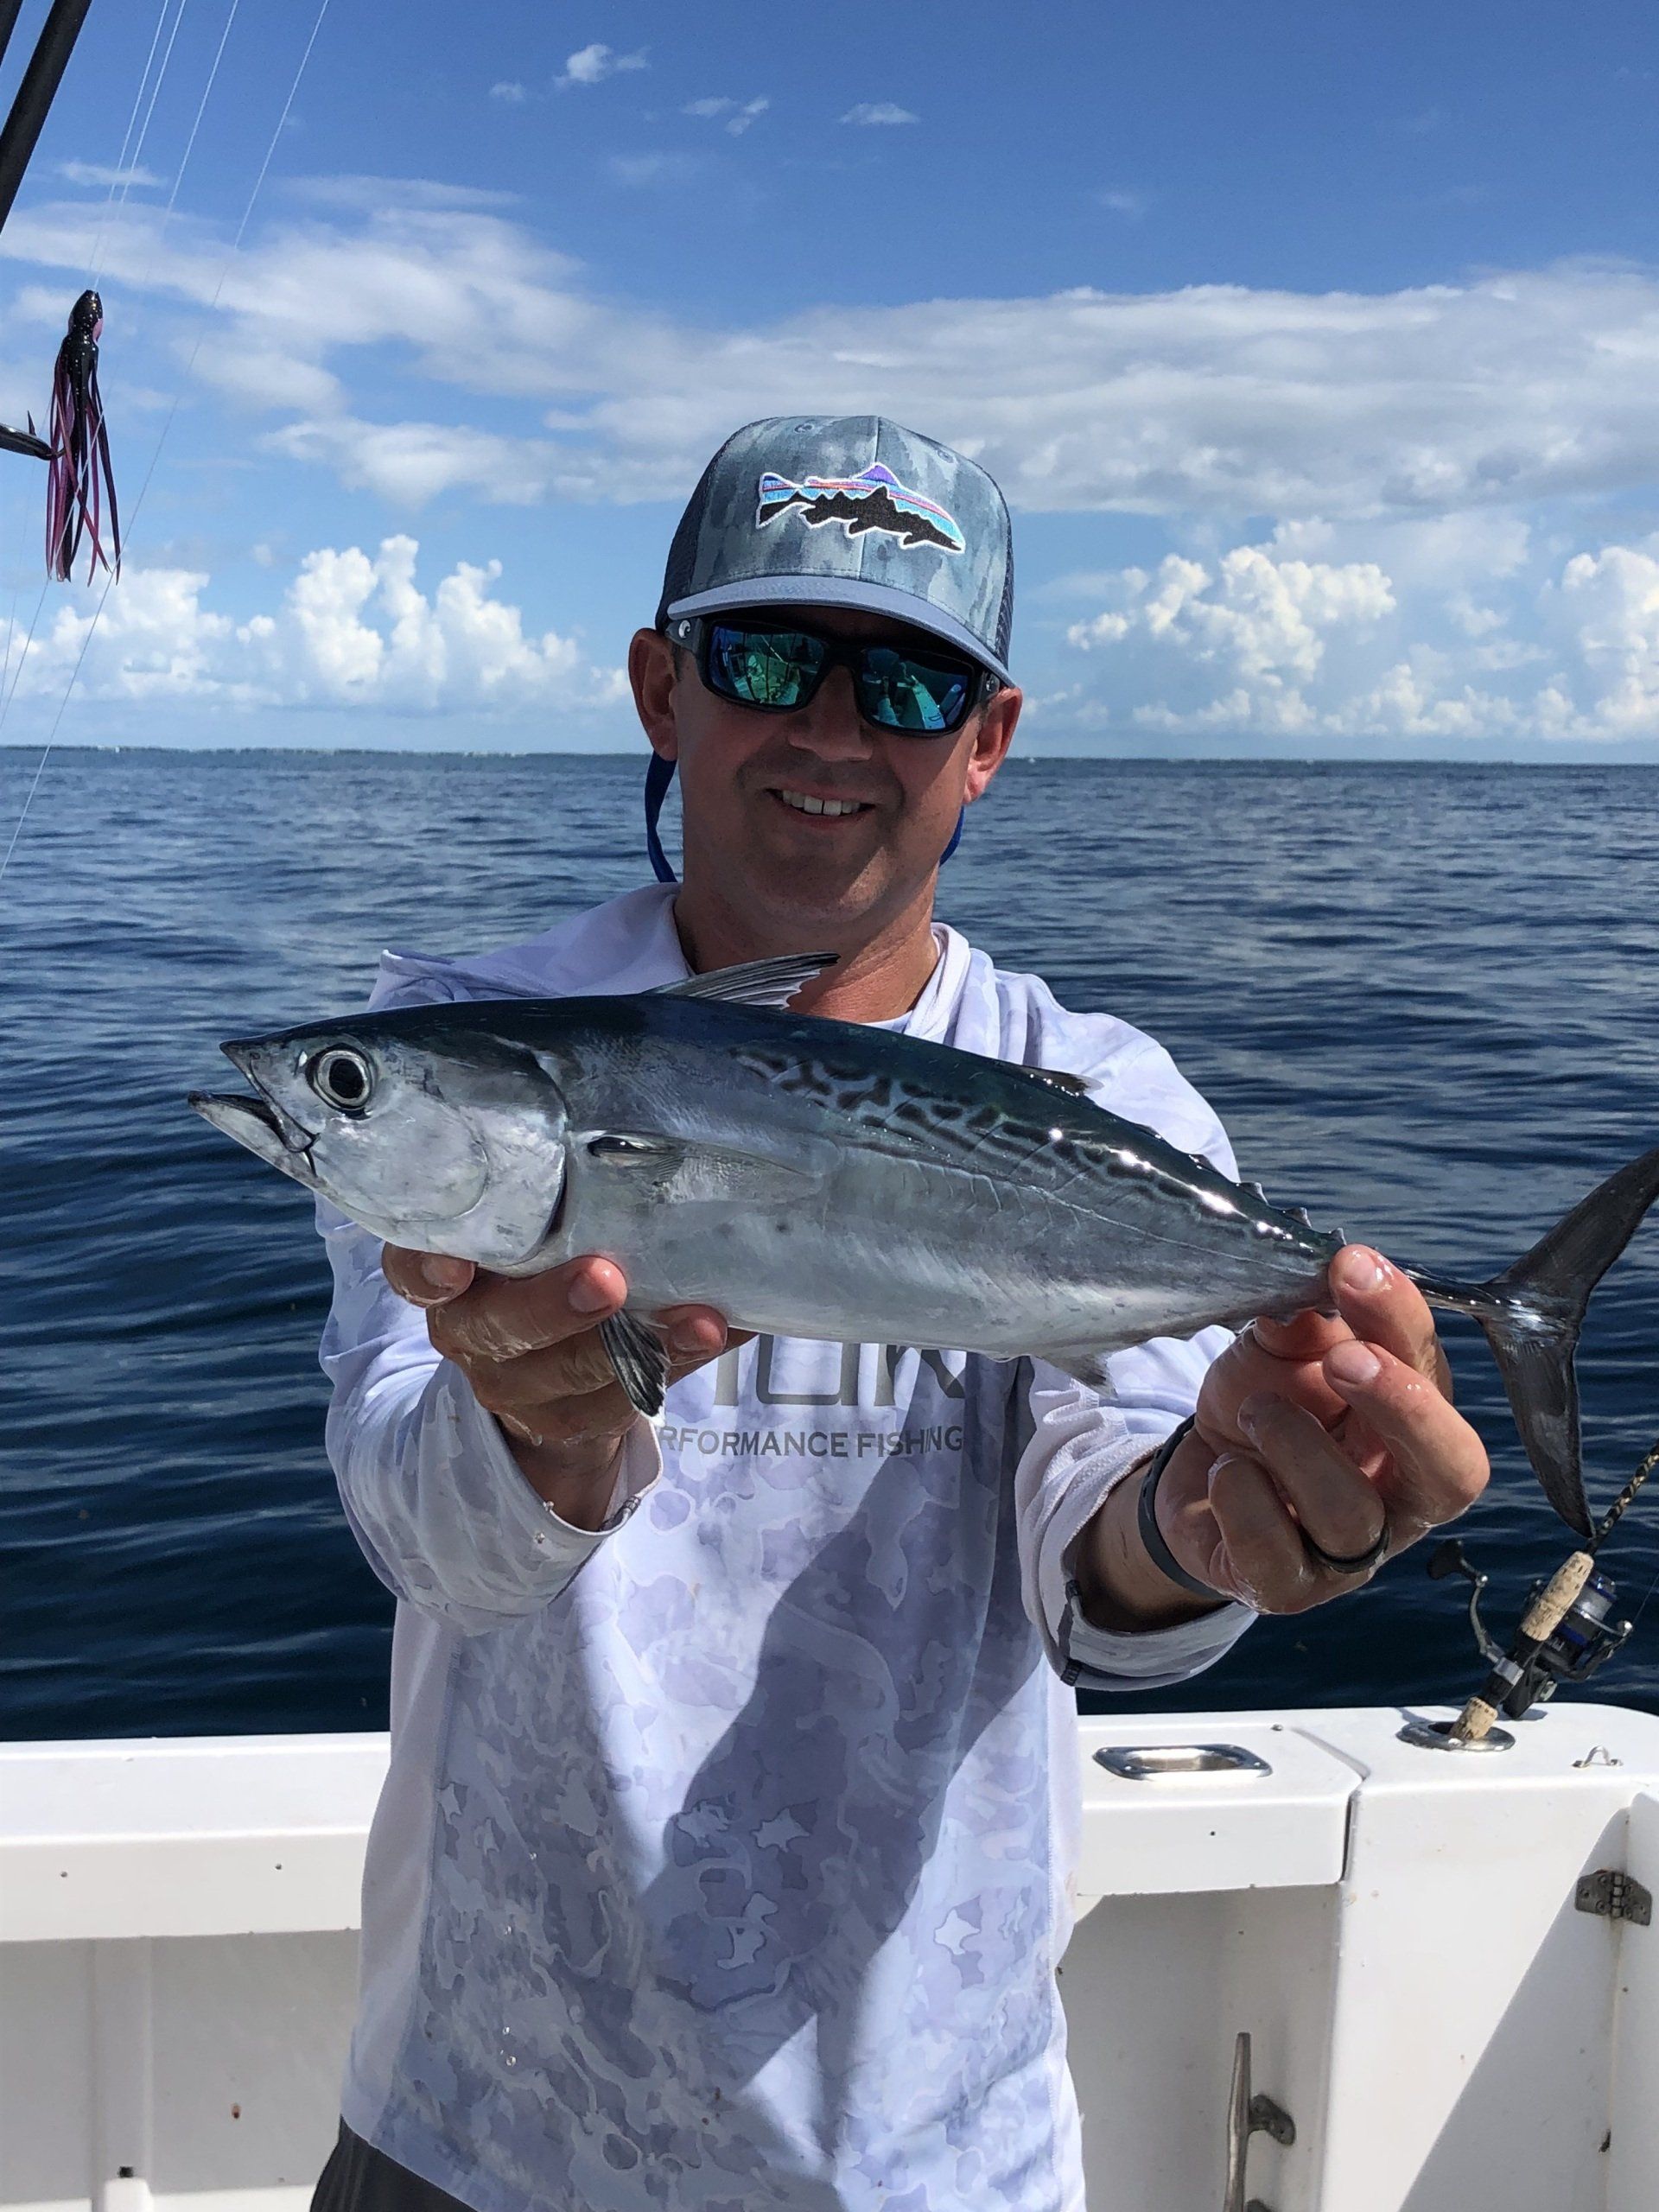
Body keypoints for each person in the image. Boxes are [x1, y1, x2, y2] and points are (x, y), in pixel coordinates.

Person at [311, 416, 1489, 2212]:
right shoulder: (455, 1046)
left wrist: (1211, 1523)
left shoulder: (1107, 1098)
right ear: (662, 689)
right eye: (769, 658)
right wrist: (534, 1439)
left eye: (912, 684)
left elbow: (1116, 1534)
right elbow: (416, 1524)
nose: (834, 731)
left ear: (988, 741)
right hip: (478, 2132)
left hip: (929, 2160)